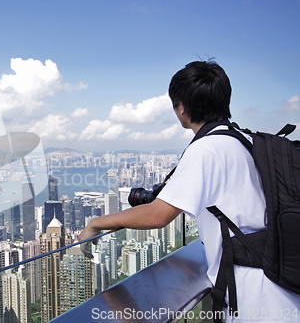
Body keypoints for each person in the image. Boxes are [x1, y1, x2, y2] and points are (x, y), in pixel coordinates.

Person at [78, 60, 300, 322]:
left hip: (256, 298)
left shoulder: (206, 149)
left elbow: (157, 215)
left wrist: (96, 223)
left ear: (181, 107)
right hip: (283, 283)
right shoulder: (247, 140)